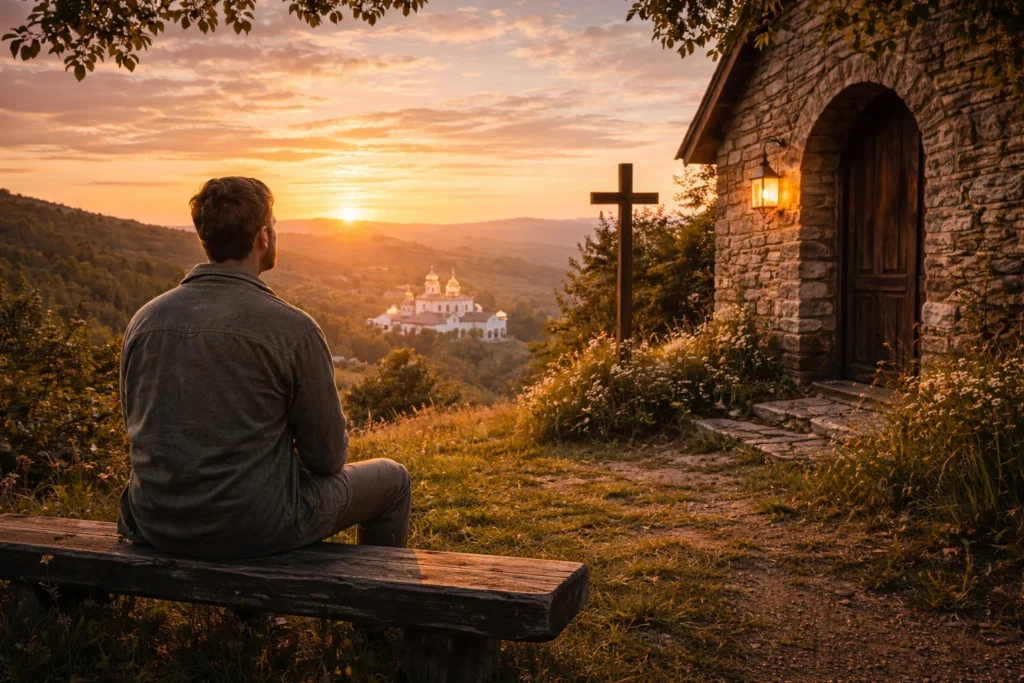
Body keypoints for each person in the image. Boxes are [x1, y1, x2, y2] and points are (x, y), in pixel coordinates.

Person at [116, 177, 410, 559]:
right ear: (263, 237)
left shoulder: (145, 320)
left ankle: (247, 617)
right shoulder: (293, 328)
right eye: (273, 225)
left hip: (156, 520)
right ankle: (378, 610)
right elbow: (327, 459)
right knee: (393, 478)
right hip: (254, 526)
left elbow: (140, 427)